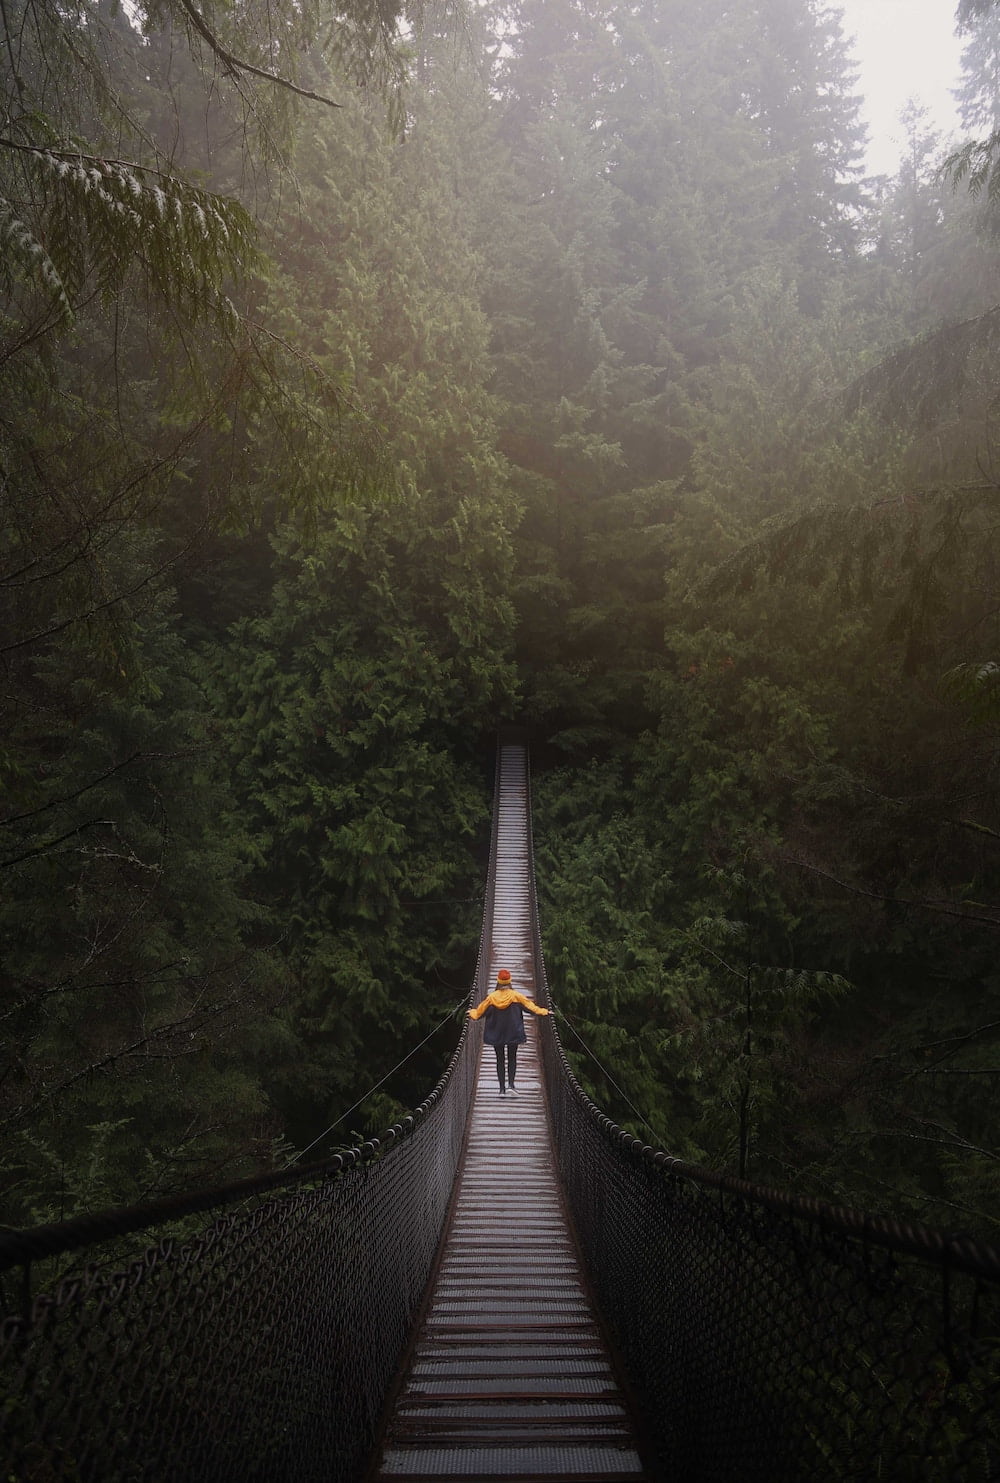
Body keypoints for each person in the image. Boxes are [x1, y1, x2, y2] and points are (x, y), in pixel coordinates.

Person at [468, 968, 551, 1096]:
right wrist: (545, 1012)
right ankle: (511, 1085)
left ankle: (501, 1089)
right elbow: (531, 1008)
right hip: (513, 1032)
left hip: (497, 1032)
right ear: (509, 981)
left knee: (499, 1059)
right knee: (512, 1058)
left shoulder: (491, 998)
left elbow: (479, 1013)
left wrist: (471, 1013)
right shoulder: (516, 996)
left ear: (498, 981)